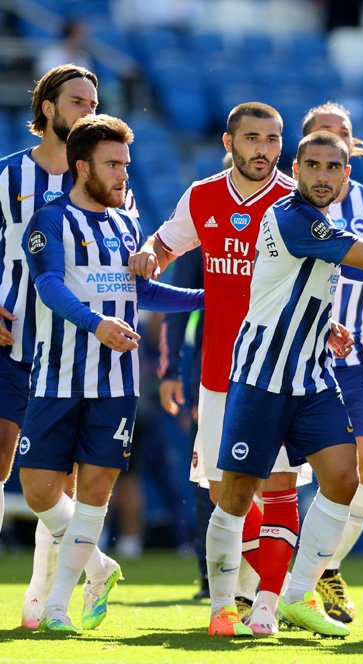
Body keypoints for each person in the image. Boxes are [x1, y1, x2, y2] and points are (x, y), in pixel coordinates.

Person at [201, 131, 363, 638]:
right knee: (240, 493)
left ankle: (290, 596)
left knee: (343, 479)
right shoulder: (293, 216)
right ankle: (223, 606)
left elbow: (293, 283)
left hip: (311, 375)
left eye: (333, 167)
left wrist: (321, 324)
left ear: (345, 175)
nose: (322, 176)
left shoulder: (319, 220)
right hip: (263, 375)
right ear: (297, 169)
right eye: (312, 165)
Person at [18, 114, 204, 633]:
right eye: (113, 164)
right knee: (38, 492)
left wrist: (207, 298)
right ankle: (100, 567)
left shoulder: (127, 225)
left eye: (127, 163)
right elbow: (49, 286)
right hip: (57, 377)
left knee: (96, 493)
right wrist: (96, 324)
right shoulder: (50, 221)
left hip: (117, 385)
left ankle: (58, 604)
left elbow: (140, 293)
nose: (125, 174)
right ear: (83, 167)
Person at [128, 102, 308, 634]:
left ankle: (254, 602)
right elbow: (162, 246)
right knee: (219, 490)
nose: (264, 149)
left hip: (278, 373)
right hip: (218, 374)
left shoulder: (296, 205)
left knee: (278, 487)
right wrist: (145, 256)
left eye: (273, 139)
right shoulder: (203, 197)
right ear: (228, 143)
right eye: (252, 138)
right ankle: (238, 596)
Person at [0, 64, 124, 630]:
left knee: (60, 481)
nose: (86, 110)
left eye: (92, 101)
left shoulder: (103, 181)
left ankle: (41, 599)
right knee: (9, 466)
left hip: (73, 351)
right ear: (47, 108)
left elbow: (126, 261)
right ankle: (91, 569)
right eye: (77, 100)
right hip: (10, 338)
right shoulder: (7, 176)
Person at [299, 103, 363, 624]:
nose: (333, 141)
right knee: (280, 476)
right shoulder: (281, 199)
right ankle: (252, 588)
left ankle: (325, 567)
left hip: (352, 356)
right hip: (289, 356)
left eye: (343, 135)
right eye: (323, 134)